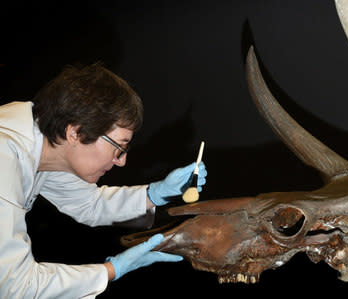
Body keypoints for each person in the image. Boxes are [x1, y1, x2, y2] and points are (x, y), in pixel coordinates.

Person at [0, 63, 207, 298]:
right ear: (76, 133)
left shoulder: (41, 143)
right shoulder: (4, 158)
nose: (121, 161)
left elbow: (89, 204)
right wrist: (109, 271)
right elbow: (15, 286)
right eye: (119, 147)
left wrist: (154, 194)